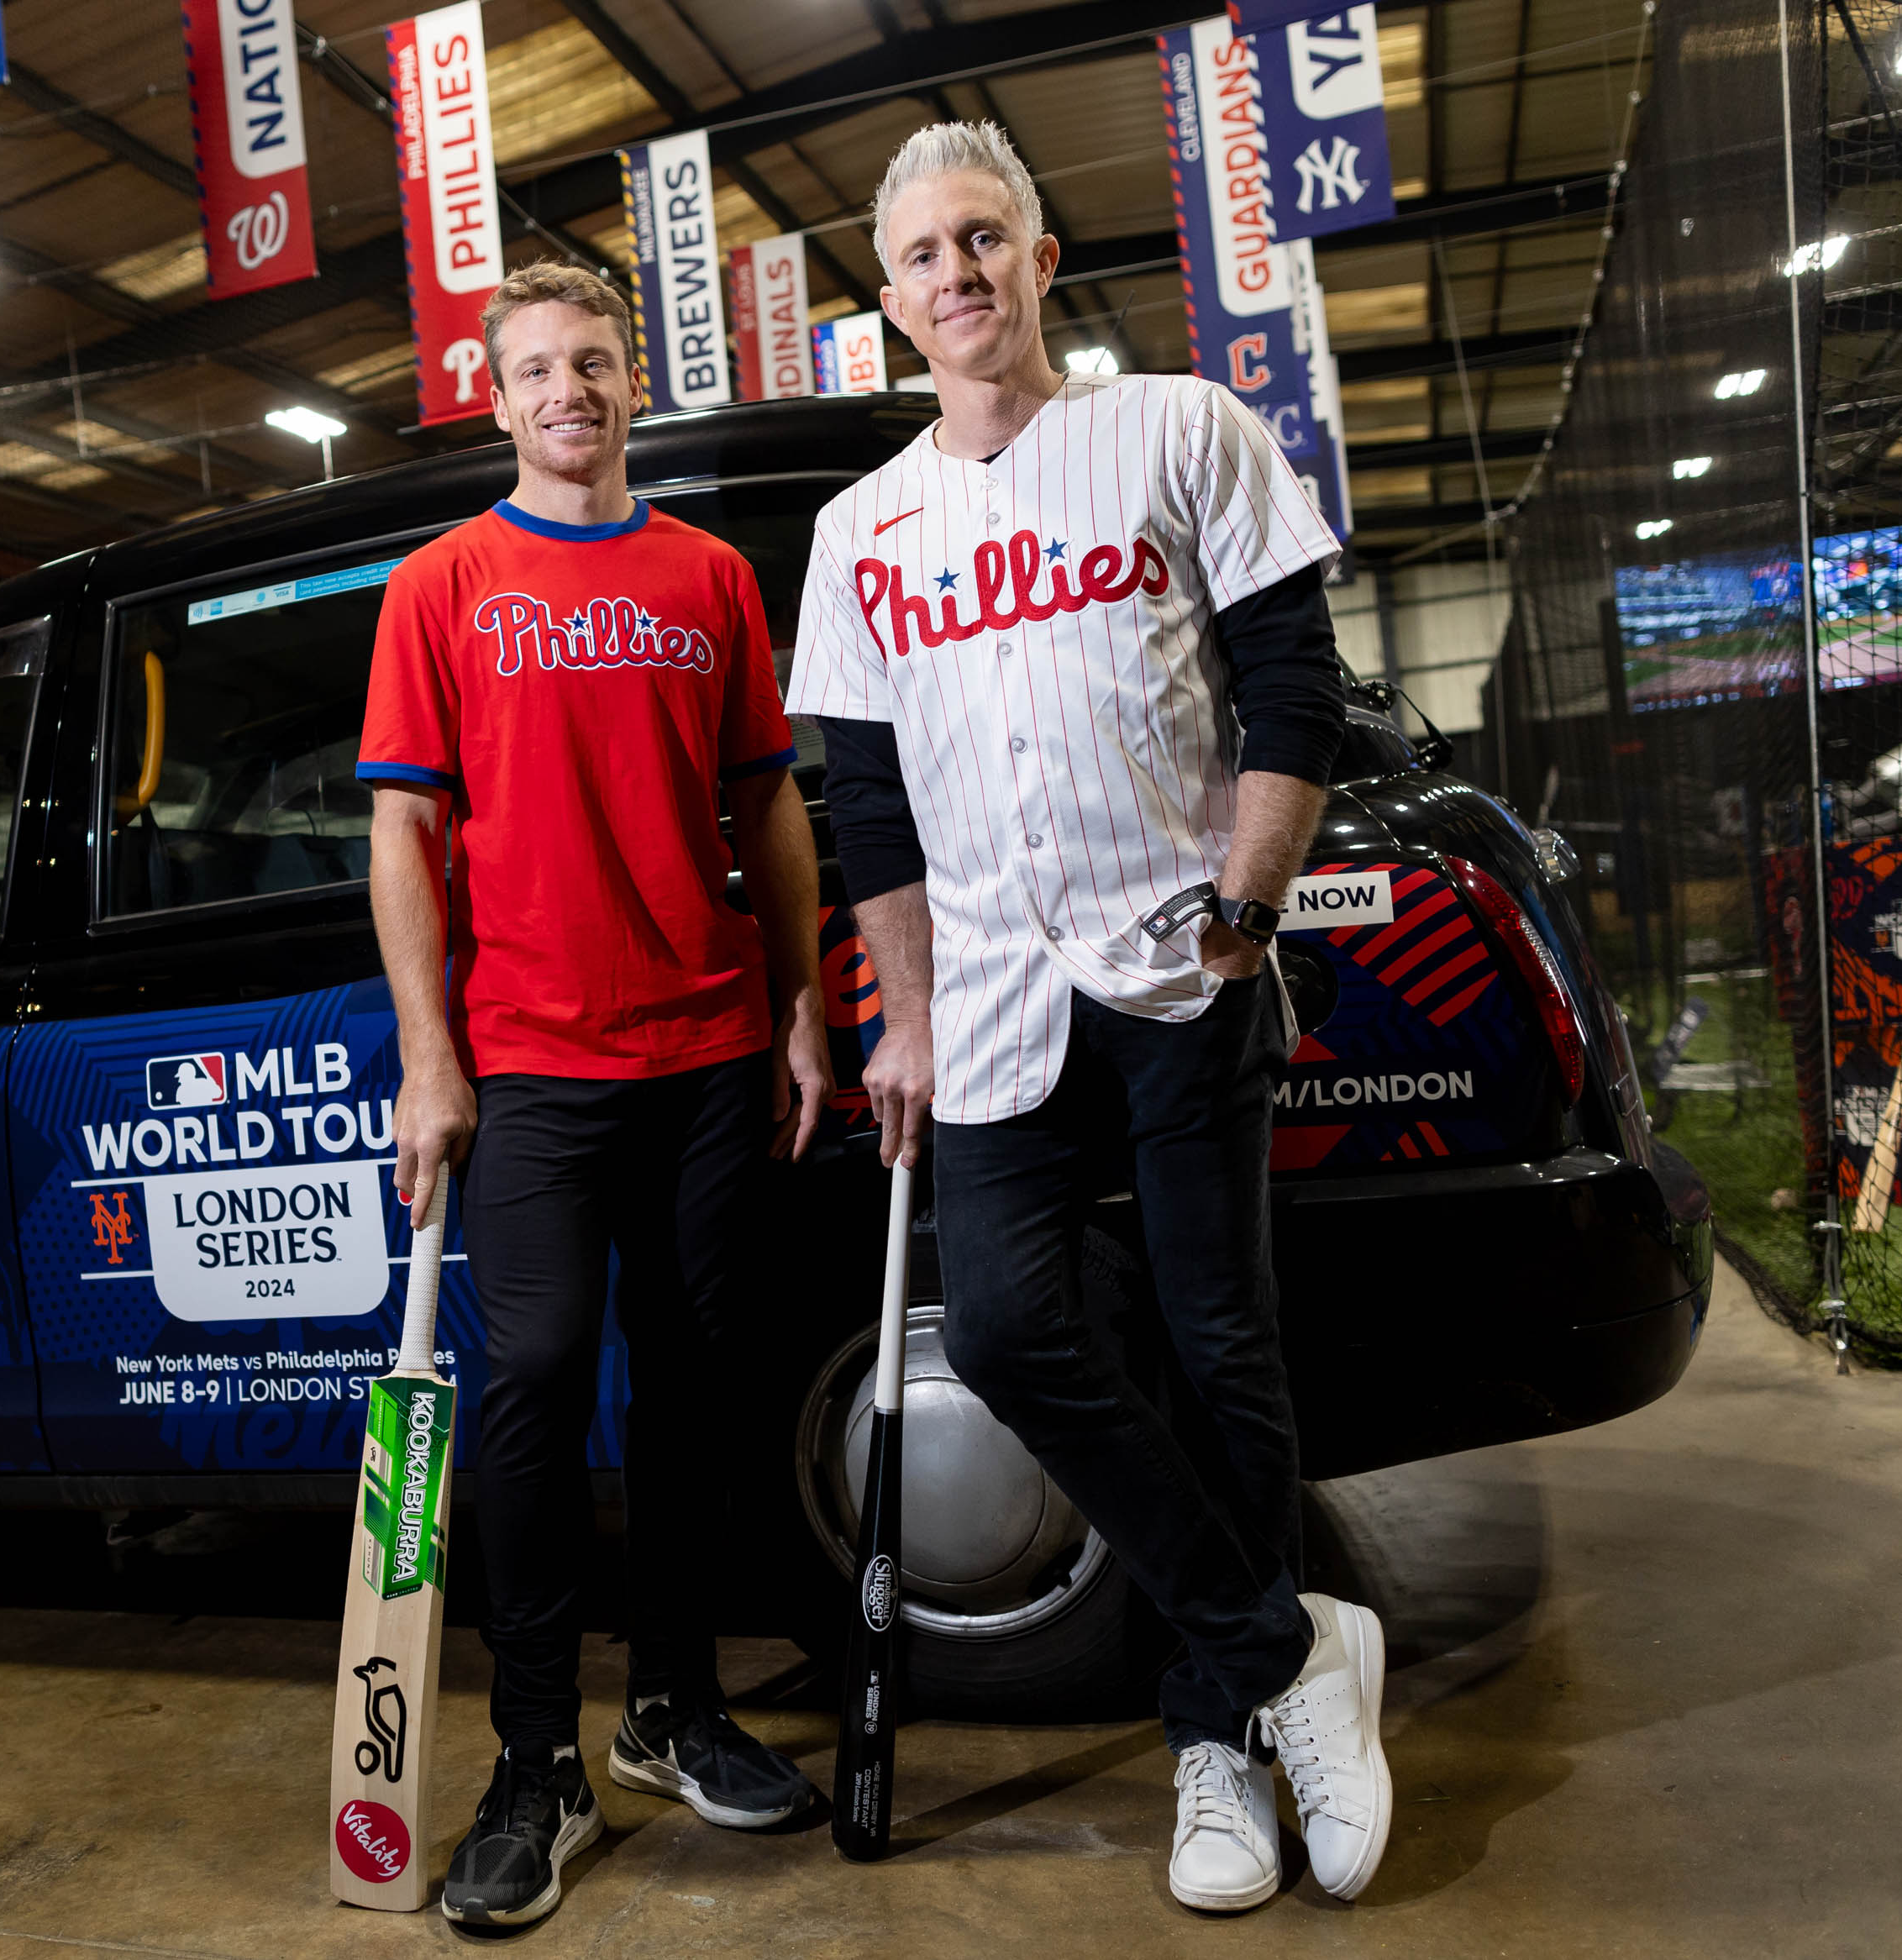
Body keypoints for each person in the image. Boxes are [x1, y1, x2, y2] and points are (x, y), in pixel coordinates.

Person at [783, 122, 1395, 1912]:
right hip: (981, 1003)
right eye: (919, 255)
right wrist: (898, 1018)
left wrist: (1244, 907)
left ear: (1040, 259)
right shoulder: (856, 529)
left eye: (984, 237)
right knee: (1012, 1328)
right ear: (888, 301)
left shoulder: (1181, 428)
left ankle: (1213, 1735)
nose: (954, 273)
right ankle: (1289, 1654)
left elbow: (1293, 688)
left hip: (1178, 975)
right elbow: (868, 814)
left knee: (1221, 1344)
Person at [357, 260, 836, 1927]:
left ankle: (677, 1703)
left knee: (696, 1389)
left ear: (631, 383)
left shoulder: (707, 575)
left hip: (705, 1050)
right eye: (537, 368)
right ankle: (535, 1755)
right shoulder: (441, 585)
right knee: (538, 1383)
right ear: (497, 399)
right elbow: (405, 836)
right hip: (537, 1066)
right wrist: (432, 1053)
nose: (568, 389)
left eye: (594, 362)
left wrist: (796, 1004)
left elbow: (769, 806)